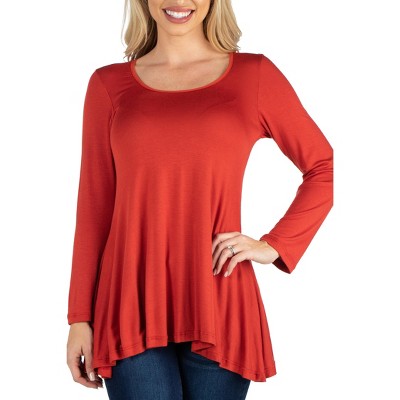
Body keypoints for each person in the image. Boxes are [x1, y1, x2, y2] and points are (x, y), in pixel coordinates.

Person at [66, 0, 333, 398]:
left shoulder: (254, 76)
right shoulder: (108, 84)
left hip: (219, 298)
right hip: (129, 303)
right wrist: (79, 317)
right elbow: (94, 207)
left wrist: (274, 245)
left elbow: (323, 168)